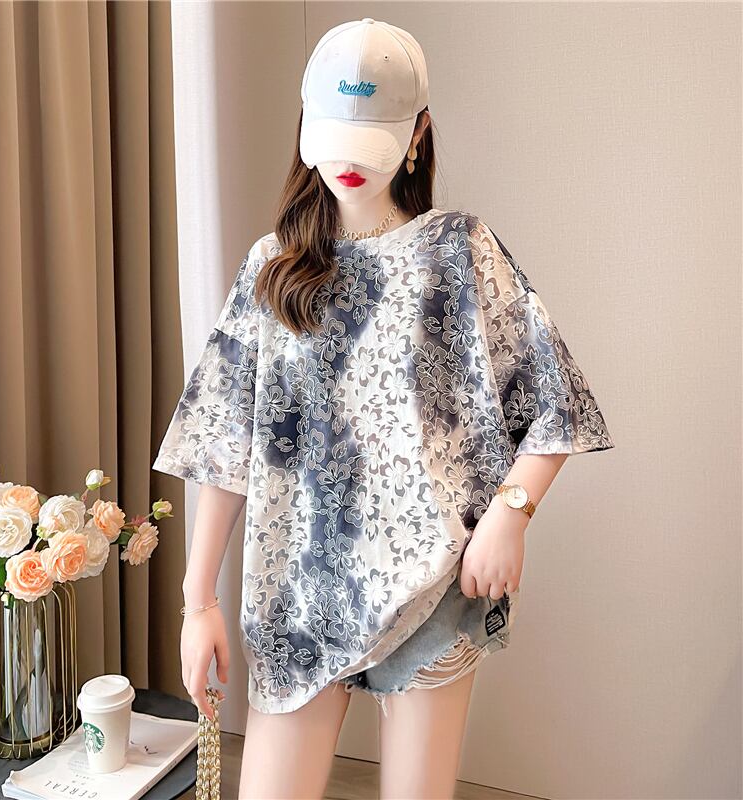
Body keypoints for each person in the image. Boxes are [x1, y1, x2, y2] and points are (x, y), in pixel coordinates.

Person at [152, 17, 615, 800]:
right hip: (298, 592)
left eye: (372, 143)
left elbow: (555, 402)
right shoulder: (272, 268)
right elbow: (221, 447)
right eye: (334, 138)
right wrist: (198, 604)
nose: (348, 164)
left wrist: (510, 515)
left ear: (418, 134)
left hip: (435, 587)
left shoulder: (458, 252)